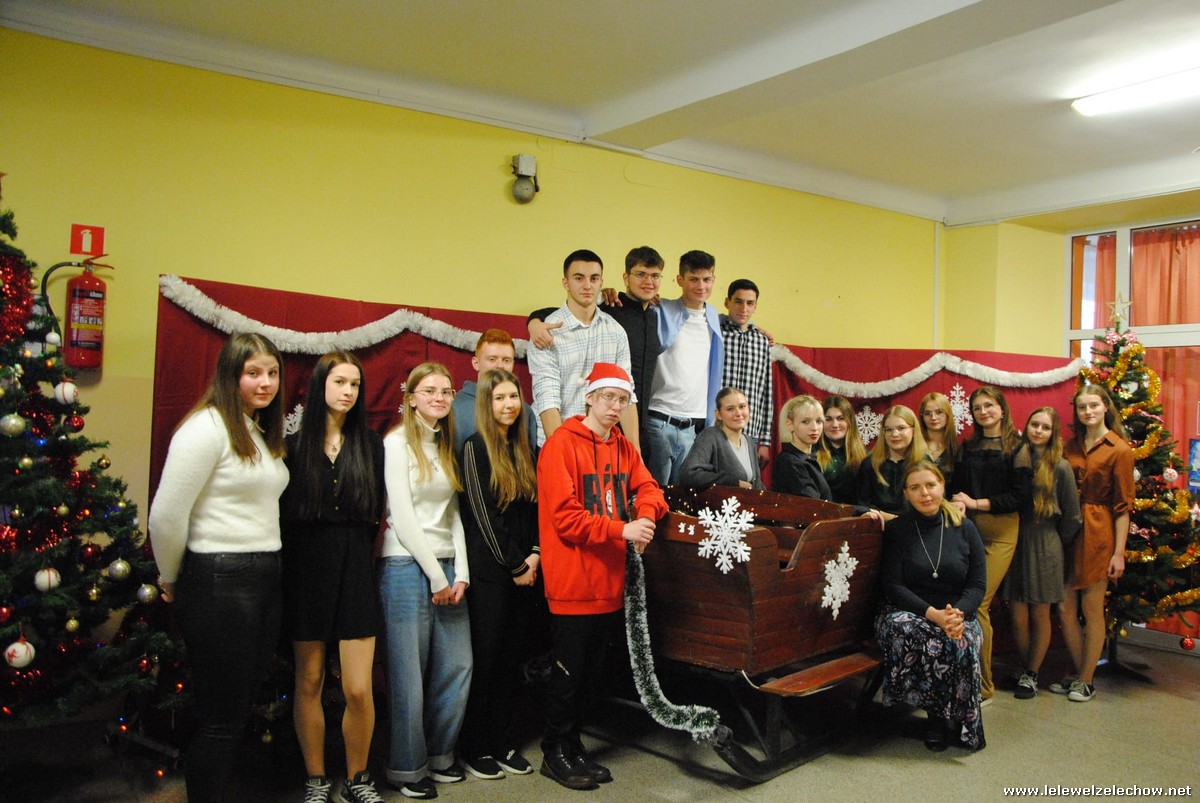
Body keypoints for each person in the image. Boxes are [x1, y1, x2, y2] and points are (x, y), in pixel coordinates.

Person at [148, 332, 289, 803]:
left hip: (261, 574)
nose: (265, 383)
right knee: (222, 718)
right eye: (253, 373)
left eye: (272, 373)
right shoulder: (205, 428)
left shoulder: (251, 427)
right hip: (221, 579)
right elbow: (166, 517)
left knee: (238, 708)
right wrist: (171, 576)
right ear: (231, 375)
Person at [536, 363, 667, 791]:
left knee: (591, 674)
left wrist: (644, 518)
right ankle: (554, 751)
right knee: (568, 673)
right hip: (573, 581)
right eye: (608, 397)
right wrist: (622, 530)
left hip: (609, 581)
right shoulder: (560, 445)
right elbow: (565, 519)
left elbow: (649, 488)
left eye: (623, 400)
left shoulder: (623, 446)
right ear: (589, 397)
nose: (615, 406)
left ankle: (573, 747)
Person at [281, 351, 386, 803]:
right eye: (340, 382)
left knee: (358, 688)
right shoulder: (292, 446)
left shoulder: (371, 445)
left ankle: (358, 778)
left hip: (356, 568)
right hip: (307, 571)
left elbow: (374, 514)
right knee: (309, 681)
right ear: (320, 385)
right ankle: (316, 779)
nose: (348, 391)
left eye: (355, 384)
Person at [379, 363, 472, 799]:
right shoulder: (396, 443)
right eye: (429, 390)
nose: (439, 397)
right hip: (404, 565)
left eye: (446, 391)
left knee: (457, 665)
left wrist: (461, 572)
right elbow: (402, 516)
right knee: (408, 674)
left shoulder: (446, 444)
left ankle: (440, 754)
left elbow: (452, 514)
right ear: (411, 397)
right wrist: (436, 576)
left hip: (448, 566)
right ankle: (406, 767)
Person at [457, 369, 540, 781]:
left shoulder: (525, 448)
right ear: (486, 405)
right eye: (499, 398)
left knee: (512, 661)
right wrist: (516, 565)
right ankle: (475, 746)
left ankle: (503, 741)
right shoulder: (475, 448)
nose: (509, 405)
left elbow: (538, 509)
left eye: (513, 397)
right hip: (492, 574)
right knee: (486, 662)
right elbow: (483, 517)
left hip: (527, 570)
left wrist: (535, 555)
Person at [876, 464, 987, 752]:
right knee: (918, 634)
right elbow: (893, 585)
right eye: (915, 488)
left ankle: (960, 718)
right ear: (906, 494)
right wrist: (934, 615)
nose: (924, 493)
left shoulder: (965, 527)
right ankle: (935, 719)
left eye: (930, 485)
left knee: (960, 640)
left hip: (957, 612)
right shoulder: (898, 529)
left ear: (942, 487)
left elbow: (977, 584)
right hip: (911, 610)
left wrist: (956, 614)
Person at [528, 246, 664, 455]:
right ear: (565, 282)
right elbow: (547, 399)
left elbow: (627, 391)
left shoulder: (615, 331)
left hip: (602, 446)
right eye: (579, 278)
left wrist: (634, 452)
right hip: (557, 443)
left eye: (594, 278)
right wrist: (561, 453)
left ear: (601, 282)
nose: (587, 285)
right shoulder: (547, 332)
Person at [950, 386, 1032, 703]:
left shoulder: (1018, 447)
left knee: (979, 603)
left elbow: (1019, 497)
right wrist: (960, 501)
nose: (984, 412)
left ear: (1001, 408)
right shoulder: (968, 447)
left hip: (1001, 531)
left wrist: (976, 503)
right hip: (969, 530)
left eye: (989, 406)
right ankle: (965, 674)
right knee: (962, 599)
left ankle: (983, 685)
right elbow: (958, 487)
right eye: (978, 408)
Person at [1054, 384, 1134, 703]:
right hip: (1068, 530)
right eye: (1082, 407)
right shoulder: (1070, 446)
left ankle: (1087, 680)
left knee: (1092, 607)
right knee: (1064, 607)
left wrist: (1119, 553)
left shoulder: (1120, 449)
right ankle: (1080, 672)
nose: (1088, 412)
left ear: (1105, 407)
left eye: (1093, 406)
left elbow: (1123, 507)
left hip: (1099, 533)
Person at [1002, 407, 1081, 700]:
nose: (1038, 430)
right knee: (1017, 613)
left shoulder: (1060, 467)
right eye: (1034, 424)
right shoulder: (1014, 459)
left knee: (1040, 612)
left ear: (1053, 433)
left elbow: (1072, 517)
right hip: (1016, 539)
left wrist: (1056, 543)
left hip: (1046, 542)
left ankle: (1032, 673)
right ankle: (1026, 668)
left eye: (1045, 427)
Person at [644, 250, 724, 486]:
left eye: (706, 279)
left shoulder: (714, 317)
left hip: (694, 425)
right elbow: (624, 306)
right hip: (660, 418)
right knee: (654, 493)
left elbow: (740, 320)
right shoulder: (661, 309)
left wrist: (756, 327)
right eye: (693, 279)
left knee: (682, 497)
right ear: (680, 280)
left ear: (713, 280)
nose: (701, 286)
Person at [451, 328, 537, 457]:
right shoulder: (455, 408)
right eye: (492, 359)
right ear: (476, 363)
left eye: (506, 360)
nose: (500, 366)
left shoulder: (524, 411)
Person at [720, 279, 774, 467]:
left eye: (750, 303)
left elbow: (766, 392)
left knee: (747, 482)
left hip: (750, 432)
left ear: (755, 306)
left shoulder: (762, 341)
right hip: (717, 429)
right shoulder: (715, 333)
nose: (744, 308)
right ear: (727, 302)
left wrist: (765, 441)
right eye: (738, 301)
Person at [678, 387, 765, 490]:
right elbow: (688, 474)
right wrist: (733, 482)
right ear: (718, 414)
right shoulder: (710, 436)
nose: (738, 413)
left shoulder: (749, 443)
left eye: (742, 406)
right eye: (730, 409)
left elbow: (757, 485)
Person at [857, 405, 928, 522]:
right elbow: (863, 505)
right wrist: (894, 520)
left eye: (901, 428)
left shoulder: (924, 463)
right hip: (879, 526)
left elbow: (930, 503)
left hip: (917, 526)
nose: (894, 434)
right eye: (889, 429)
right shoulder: (870, 464)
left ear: (913, 430)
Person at [771, 394, 832, 500]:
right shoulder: (790, 462)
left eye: (819, 421)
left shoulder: (806, 458)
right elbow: (813, 503)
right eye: (806, 422)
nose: (814, 428)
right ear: (790, 424)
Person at [815, 395, 867, 505]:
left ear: (850, 422)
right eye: (828, 419)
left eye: (841, 418)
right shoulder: (812, 456)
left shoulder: (866, 457)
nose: (835, 425)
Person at [919, 391, 960, 484]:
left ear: (947, 415)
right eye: (927, 413)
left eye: (939, 412)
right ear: (922, 417)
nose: (933, 417)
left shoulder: (957, 450)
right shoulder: (914, 446)